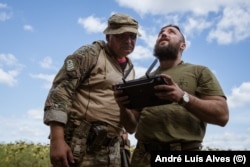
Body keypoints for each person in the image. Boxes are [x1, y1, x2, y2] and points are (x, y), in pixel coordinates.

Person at [114, 24, 229, 167]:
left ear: (182, 46)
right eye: (161, 32)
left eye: (171, 32)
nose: (163, 34)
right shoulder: (142, 81)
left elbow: (222, 116)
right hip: (142, 158)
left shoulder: (199, 72)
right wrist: (123, 107)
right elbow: (131, 127)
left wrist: (182, 97)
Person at [43, 13, 141, 167]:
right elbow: (60, 92)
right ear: (109, 36)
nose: (128, 41)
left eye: (133, 36)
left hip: (112, 149)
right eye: (122, 35)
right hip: (80, 146)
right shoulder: (90, 54)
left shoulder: (130, 69)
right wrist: (57, 140)